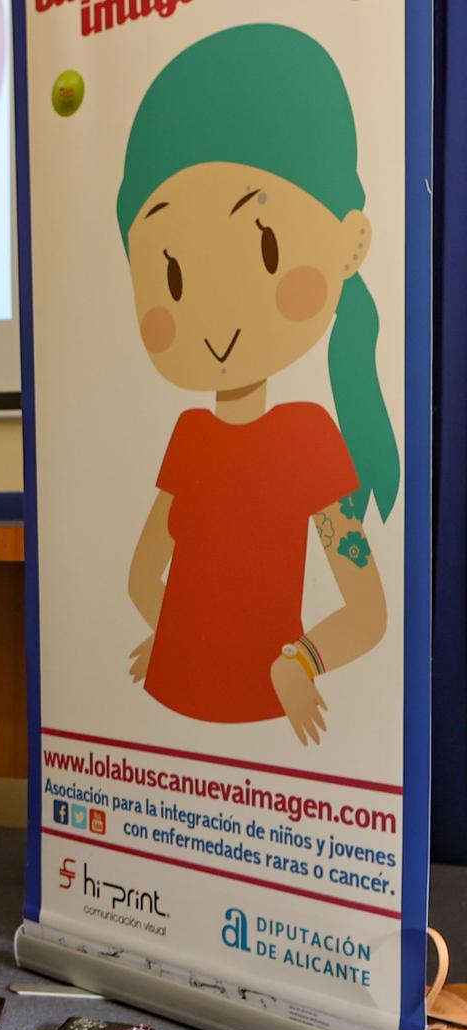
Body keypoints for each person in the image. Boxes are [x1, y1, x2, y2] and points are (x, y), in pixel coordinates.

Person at [119, 24, 391, 744]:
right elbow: (143, 574)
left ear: (350, 241)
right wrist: (180, 639)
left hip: (264, 726)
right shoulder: (192, 435)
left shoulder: (308, 437)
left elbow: (366, 611)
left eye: (264, 250)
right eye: (171, 276)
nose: (214, 317)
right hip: (170, 700)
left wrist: (300, 660)